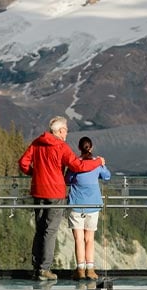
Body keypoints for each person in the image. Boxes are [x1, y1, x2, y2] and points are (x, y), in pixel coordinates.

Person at [18, 116, 105, 281]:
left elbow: (23, 163)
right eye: (65, 130)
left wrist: (35, 174)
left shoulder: (37, 143)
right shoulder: (61, 147)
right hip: (55, 193)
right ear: (59, 131)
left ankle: (37, 268)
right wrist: (98, 162)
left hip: (38, 191)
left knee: (40, 229)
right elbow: (78, 166)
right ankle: (44, 269)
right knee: (50, 231)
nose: (66, 133)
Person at [65, 137, 111, 281]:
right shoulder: (97, 164)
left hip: (76, 204)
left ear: (79, 148)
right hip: (93, 205)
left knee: (78, 239)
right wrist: (102, 163)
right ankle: (90, 270)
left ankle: (80, 269)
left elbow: (67, 180)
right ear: (91, 148)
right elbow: (107, 176)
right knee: (89, 239)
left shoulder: (75, 164)